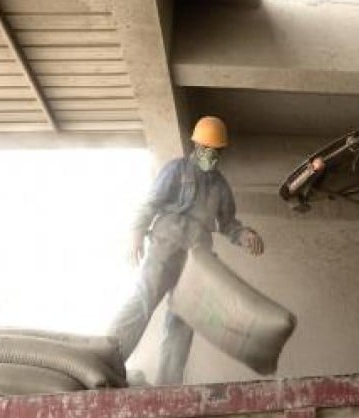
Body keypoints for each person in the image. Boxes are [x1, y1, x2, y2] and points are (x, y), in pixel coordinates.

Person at [109, 116, 264, 385]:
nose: (210, 155)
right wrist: (136, 232)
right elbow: (150, 204)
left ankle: (169, 386)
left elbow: (228, 225)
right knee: (143, 302)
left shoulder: (221, 187)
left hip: (196, 260)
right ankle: (104, 363)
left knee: (182, 322)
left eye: (216, 151)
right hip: (166, 248)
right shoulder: (176, 170)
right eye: (206, 148)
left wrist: (245, 235)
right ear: (195, 145)